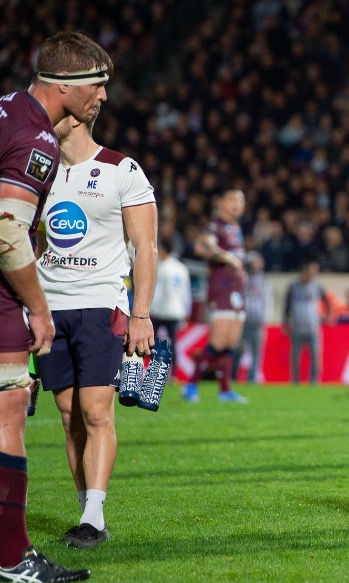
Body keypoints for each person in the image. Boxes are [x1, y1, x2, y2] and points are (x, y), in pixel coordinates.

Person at [0, 31, 111, 583]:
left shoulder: (5, 111)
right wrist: (37, 308)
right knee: (9, 412)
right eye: (97, 85)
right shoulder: (38, 138)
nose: (103, 97)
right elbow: (6, 234)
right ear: (65, 87)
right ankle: (14, 558)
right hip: (4, 300)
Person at [35, 111, 156, 548]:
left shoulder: (121, 169)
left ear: (78, 115)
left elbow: (146, 247)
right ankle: (90, 515)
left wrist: (140, 313)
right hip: (49, 310)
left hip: (102, 306)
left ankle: (92, 515)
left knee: (97, 412)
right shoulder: (39, 172)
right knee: (69, 418)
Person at [182, 189, 249, 403]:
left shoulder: (235, 228)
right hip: (221, 288)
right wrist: (227, 257)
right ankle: (191, 385)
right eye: (231, 199)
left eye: (240, 200)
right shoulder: (216, 226)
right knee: (219, 341)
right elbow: (202, 246)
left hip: (236, 289)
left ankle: (225, 390)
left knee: (231, 342)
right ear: (221, 202)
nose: (237, 204)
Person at [284, 261, 329, 384]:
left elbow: (326, 301)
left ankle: (314, 381)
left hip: (313, 327)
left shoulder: (317, 286)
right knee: (295, 357)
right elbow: (287, 305)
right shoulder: (293, 286)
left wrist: (326, 315)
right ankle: (295, 380)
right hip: (297, 327)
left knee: (315, 356)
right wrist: (286, 322)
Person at [151, 238, 191, 377]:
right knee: (174, 344)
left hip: (161, 310)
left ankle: (154, 371)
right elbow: (187, 292)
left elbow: (157, 291)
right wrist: (187, 310)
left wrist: (150, 309)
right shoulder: (181, 267)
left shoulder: (161, 267)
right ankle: (173, 374)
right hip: (177, 310)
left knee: (153, 342)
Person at [231, 251, 271, 383]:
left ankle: (252, 379)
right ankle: (233, 376)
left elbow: (267, 300)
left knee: (256, 353)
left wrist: (266, 317)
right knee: (237, 350)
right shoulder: (241, 278)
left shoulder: (263, 280)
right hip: (242, 321)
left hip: (257, 322)